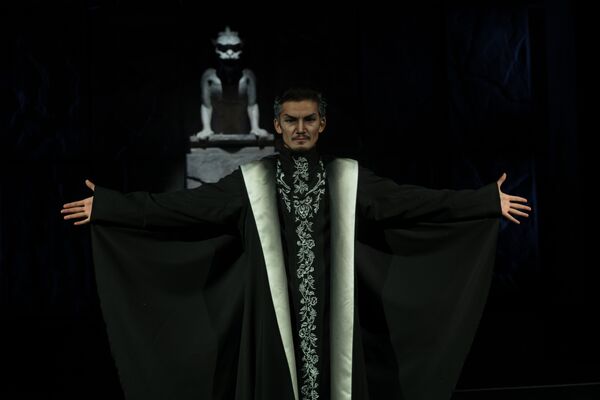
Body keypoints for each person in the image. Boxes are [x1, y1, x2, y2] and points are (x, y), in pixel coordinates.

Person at [61, 88, 530, 400]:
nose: (300, 128)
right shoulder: (251, 181)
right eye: (291, 120)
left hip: (334, 324)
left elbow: (413, 202)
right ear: (277, 125)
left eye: (309, 120)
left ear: (322, 124)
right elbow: (181, 208)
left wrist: (484, 201)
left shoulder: (347, 177)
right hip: (273, 326)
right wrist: (110, 207)